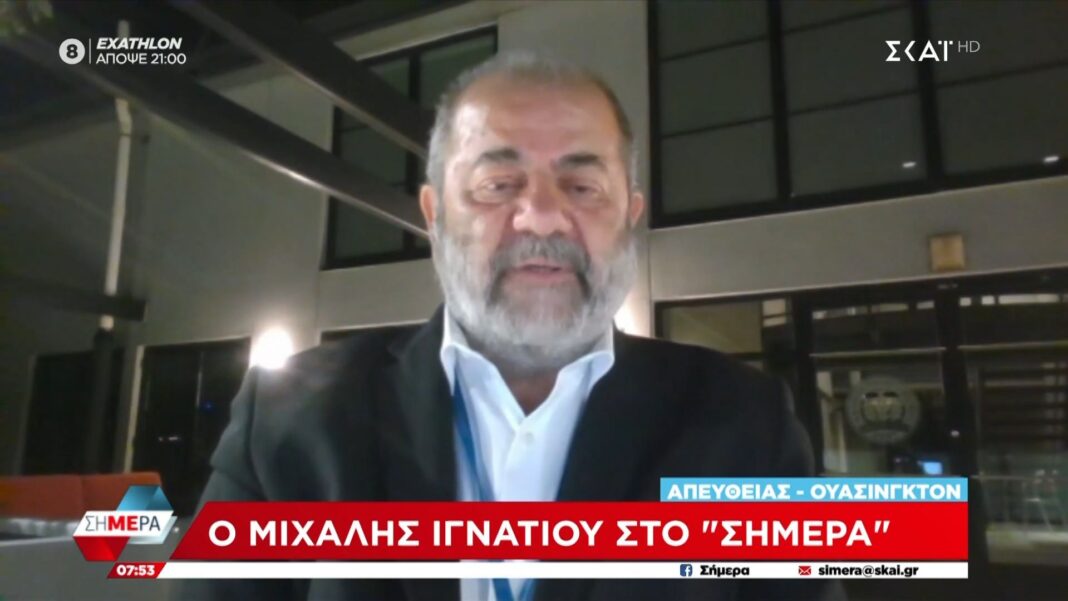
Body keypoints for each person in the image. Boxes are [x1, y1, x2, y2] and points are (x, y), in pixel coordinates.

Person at [184, 52, 843, 601]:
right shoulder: (288, 420)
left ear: (629, 215)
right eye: (498, 184)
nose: (542, 217)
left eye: (582, 187)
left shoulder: (745, 423)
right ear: (434, 214)